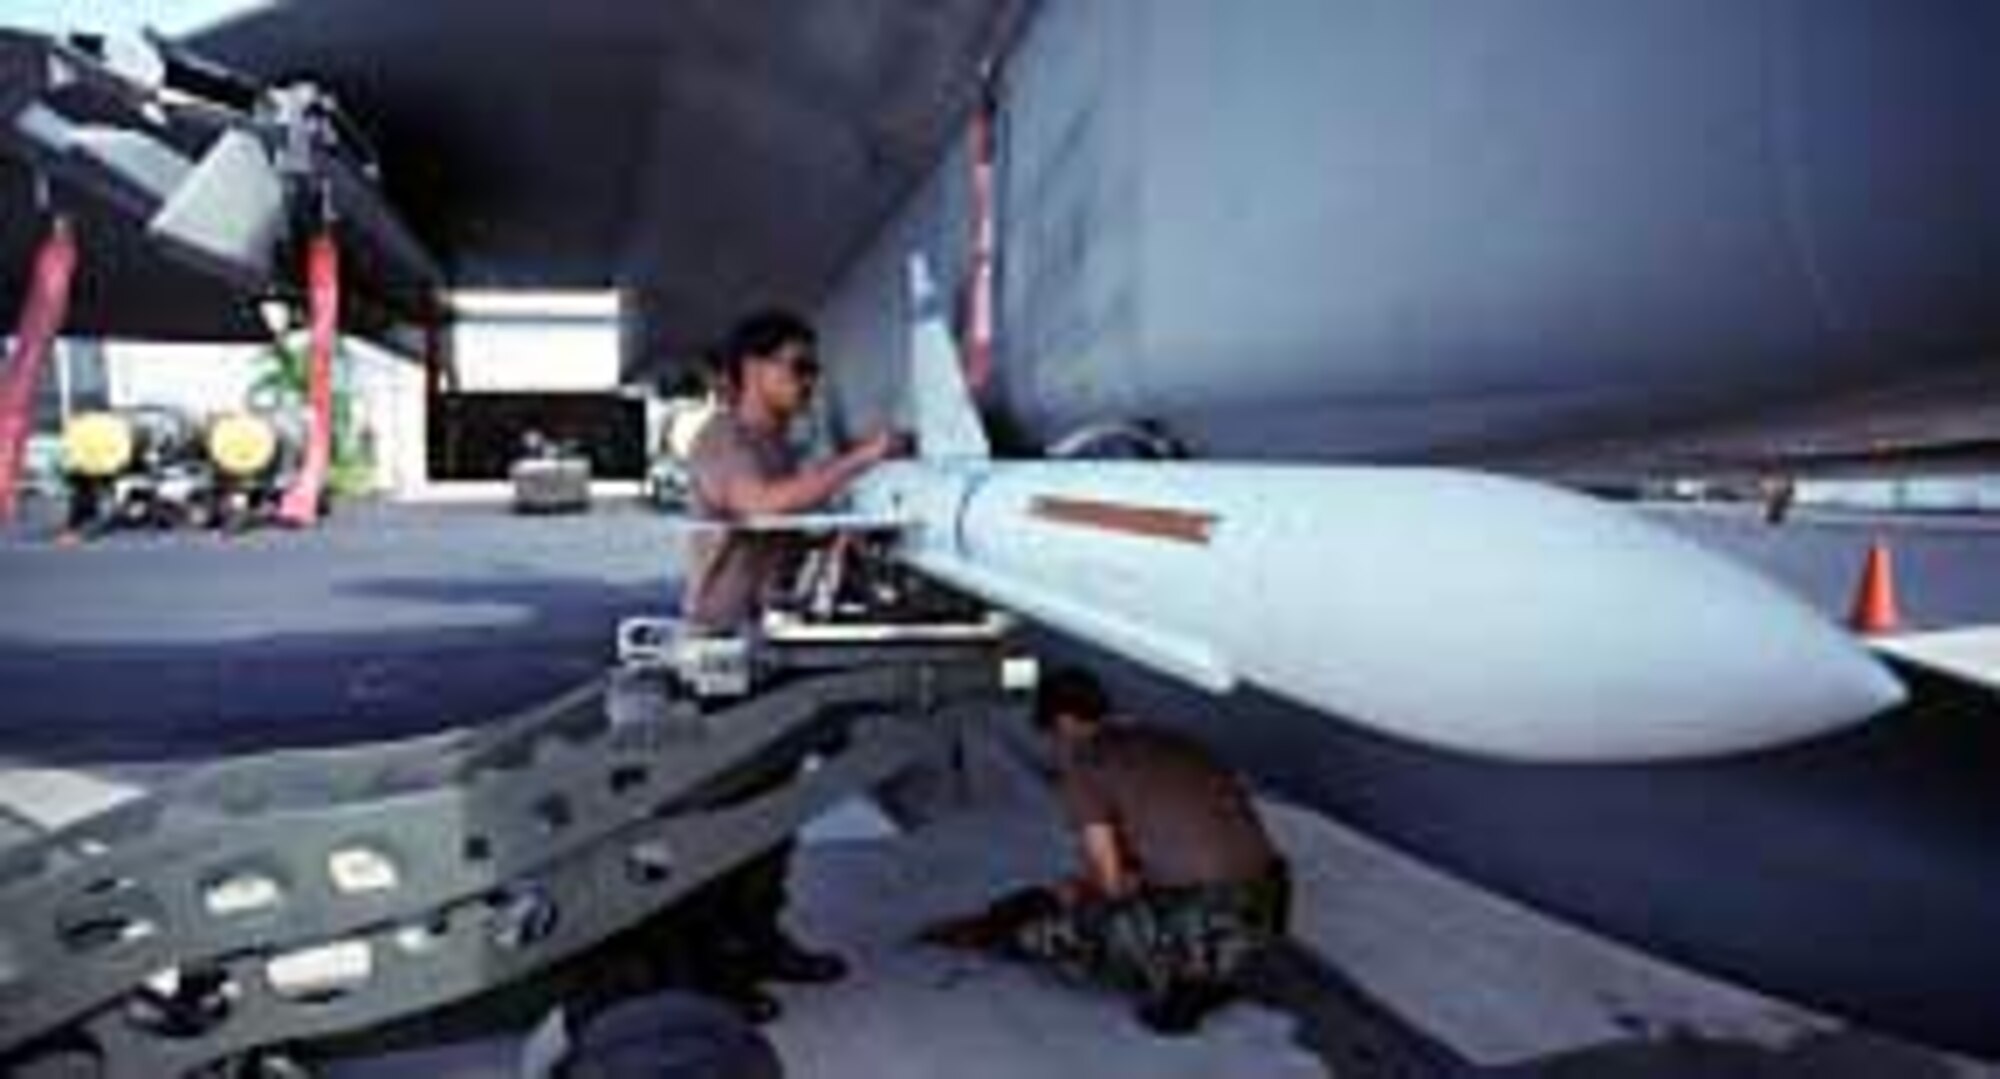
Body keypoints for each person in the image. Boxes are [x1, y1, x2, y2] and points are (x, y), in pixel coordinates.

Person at [676, 307, 901, 1022]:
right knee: (732, 817)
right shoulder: (724, 440)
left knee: (776, 815)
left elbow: (792, 534)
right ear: (753, 368)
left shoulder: (782, 445)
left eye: (813, 368)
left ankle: (761, 940)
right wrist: (861, 459)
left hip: (771, 645)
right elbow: (763, 507)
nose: (810, 381)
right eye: (798, 366)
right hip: (722, 651)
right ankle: (716, 971)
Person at [930, 666, 1292, 1036]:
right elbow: (1170, 847)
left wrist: (1066, 897)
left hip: (1208, 915)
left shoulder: (1086, 764)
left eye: (1053, 735)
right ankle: (1214, 962)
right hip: (1271, 900)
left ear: (1066, 722)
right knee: (1134, 897)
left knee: (1057, 935)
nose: (1056, 747)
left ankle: (1188, 974)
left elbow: (1111, 886)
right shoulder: (1164, 739)